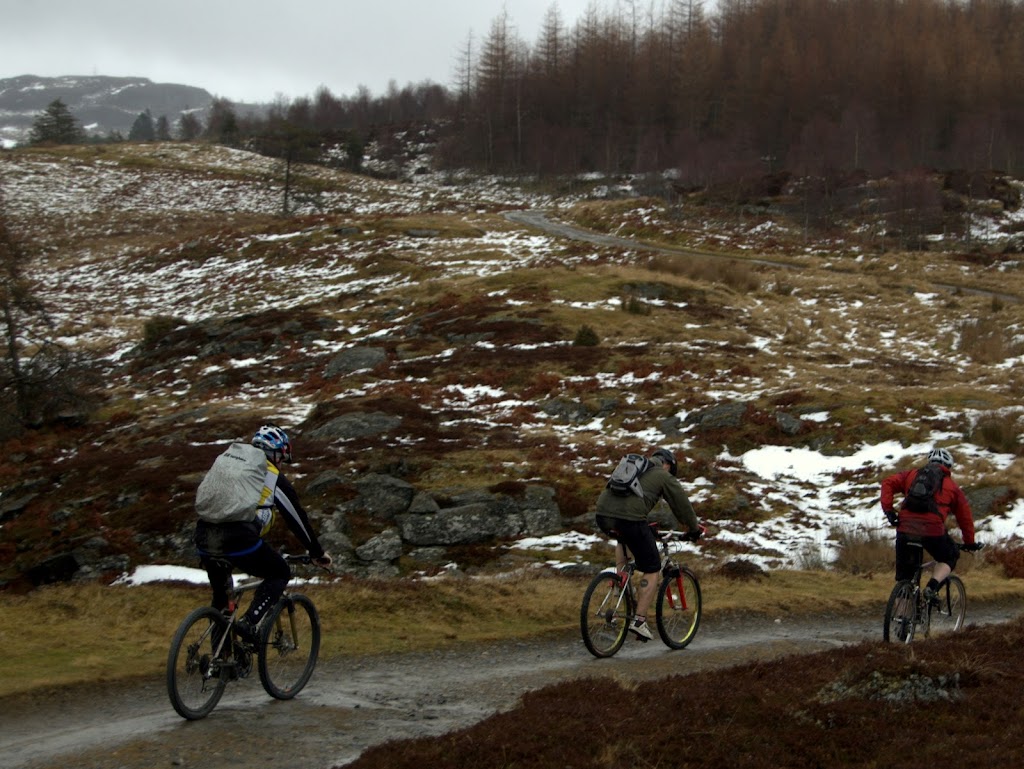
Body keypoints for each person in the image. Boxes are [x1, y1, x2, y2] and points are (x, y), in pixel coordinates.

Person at [194, 424, 332, 643]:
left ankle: (220, 658)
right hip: (238, 539)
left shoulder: (234, 464)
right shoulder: (272, 475)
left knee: (221, 600)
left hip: (203, 535)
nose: (281, 464)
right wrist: (316, 552)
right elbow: (296, 518)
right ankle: (249, 622)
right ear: (275, 454)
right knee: (280, 572)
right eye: (281, 458)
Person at [595, 447, 703, 641]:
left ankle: (620, 583)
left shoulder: (634, 467)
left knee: (624, 538)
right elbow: (681, 504)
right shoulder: (663, 474)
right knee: (652, 567)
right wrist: (693, 529)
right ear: (668, 465)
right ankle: (639, 622)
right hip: (630, 519)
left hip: (602, 515)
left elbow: (629, 500)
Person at [880, 447, 981, 605]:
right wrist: (969, 542)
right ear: (948, 467)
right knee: (950, 555)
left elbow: (888, 482)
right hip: (932, 530)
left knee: (905, 579)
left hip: (905, 528)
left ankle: (899, 619)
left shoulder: (911, 475)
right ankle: (932, 588)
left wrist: (889, 510)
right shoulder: (952, 487)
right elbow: (965, 518)